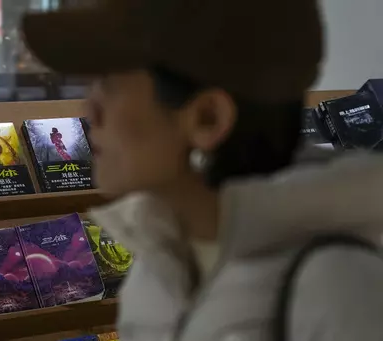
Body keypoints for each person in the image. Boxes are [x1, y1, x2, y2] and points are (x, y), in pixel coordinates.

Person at [22, 1, 383, 340]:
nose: (91, 111)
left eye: (111, 85)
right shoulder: (159, 266)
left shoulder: (340, 288)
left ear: (208, 118)